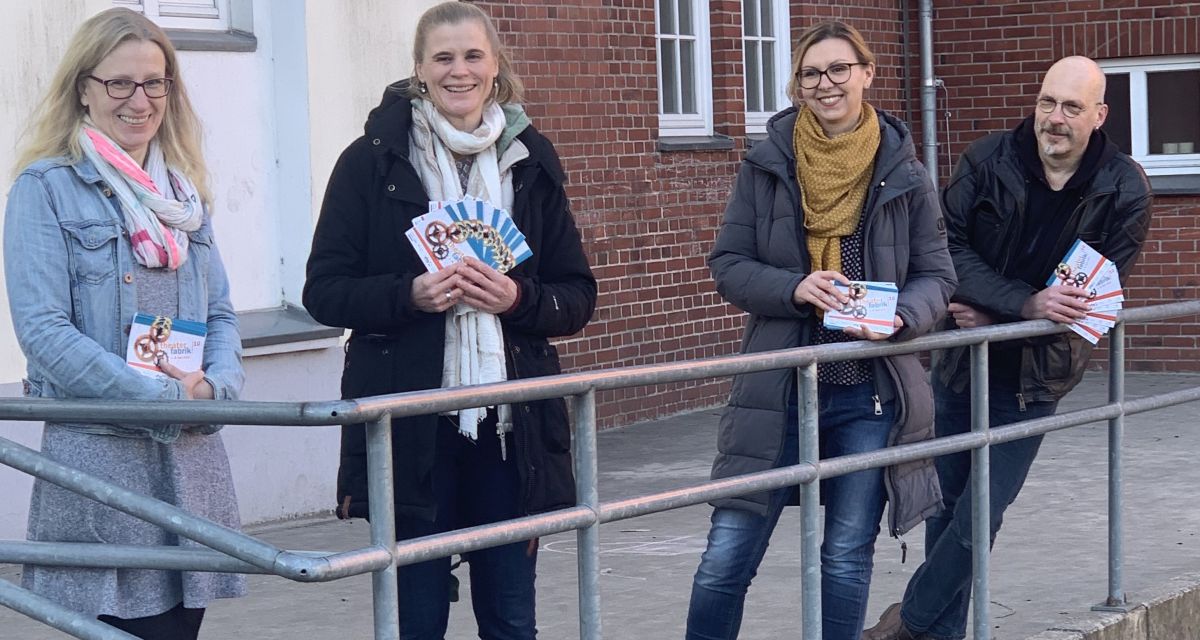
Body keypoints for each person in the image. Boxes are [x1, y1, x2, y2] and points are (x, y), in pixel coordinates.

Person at [302, 2, 596, 638]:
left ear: (495, 67)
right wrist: (408, 295)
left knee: (511, 618)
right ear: (419, 69)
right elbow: (323, 291)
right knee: (416, 617)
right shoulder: (372, 161)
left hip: (510, 427)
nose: (458, 71)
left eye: (471, 56)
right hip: (411, 426)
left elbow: (577, 296)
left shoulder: (531, 160)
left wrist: (515, 299)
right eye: (442, 58)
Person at [863, 56, 1152, 640]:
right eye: (1047, 102)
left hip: (1034, 378)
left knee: (981, 514)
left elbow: (1089, 297)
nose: (1055, 118)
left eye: (1071, 107)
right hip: (960, 363)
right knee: (947, 507)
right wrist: (1023, 303)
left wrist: (1000, 310)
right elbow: (946, 251)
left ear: (1099, 115)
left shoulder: (1125, 188)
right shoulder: (987, 159)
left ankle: (909, 622)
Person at [685, 21, 956, 640]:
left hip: (868, 393)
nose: (825, 83)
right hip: (777, 390)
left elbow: (938, 276)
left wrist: (902, 316)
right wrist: (794, 288)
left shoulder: (904, 170)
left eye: (838, 69)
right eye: (810, 73)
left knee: (846, 555)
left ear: (867, 74)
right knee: (727, 554)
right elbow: (728, 264)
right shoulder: (767, 163)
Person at [4, 8, 245, 640]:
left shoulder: (184, 195)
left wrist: (216, 388)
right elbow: (45, 333)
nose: (139, 101)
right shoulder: (45, 188)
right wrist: (165, 397)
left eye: (154, 82)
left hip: (189, 458)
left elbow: (220, 313)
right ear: (83, 89)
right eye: (119, 83)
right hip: (103, 461)